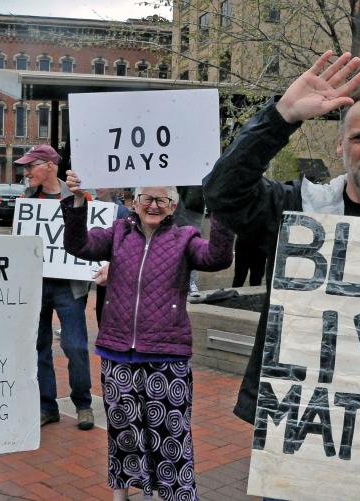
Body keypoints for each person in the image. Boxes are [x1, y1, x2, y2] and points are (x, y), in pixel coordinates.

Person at [201, 51, 360, 426]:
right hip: (301, 423)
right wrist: (281, 115)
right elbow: (222, 192)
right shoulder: (299, 212)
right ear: (340, 145)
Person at [62, 171, 234, 501]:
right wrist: (78, 201)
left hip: (167, 354)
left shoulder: (185, 237)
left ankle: (171, 495)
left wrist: (222, 209)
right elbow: (78, 244)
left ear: (173, 206)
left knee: (171, 435)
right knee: (125, 431)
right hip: (117, 352)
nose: (153, 205)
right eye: (147, 199)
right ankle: (122, 492)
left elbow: (217, 257)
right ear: (134, 203)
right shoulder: (118, 233)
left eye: (162, 200)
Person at [17, 144, 95, 430]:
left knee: (75, 345)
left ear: (50, 165)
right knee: (38, 346)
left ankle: (83, 404)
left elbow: (93, 235)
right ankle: (46, 406)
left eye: (31, 166)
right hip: (36, 283)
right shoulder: (26, 199)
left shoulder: (79, 195)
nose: (26, 172)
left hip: (68, 285)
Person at [92, 188, 130, 326]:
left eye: (104, 184)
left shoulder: (122, 211)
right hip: (86, 267)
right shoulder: (88, 205)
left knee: (104, 309)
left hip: (109, 269)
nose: (99, 188)